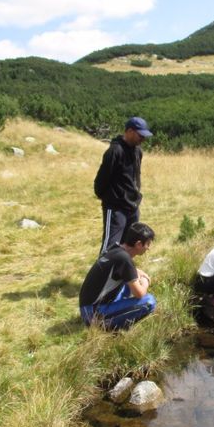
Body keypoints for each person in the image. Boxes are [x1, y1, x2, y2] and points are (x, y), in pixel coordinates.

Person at [79, 222, 157, 330]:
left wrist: (136, 271)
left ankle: (111, 319)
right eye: (147, 244)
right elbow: (139, 293)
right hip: (92, 314)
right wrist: (145, 281)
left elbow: (123, 270)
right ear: (139, 244)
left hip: (87, 307)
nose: (148, 248)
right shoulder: (124, 259)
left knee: (128, 281)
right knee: (149, 302)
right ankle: (105, 326)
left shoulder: (115, 248)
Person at [94, 116, 152, 254]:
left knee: (129, 245)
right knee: (110, 246)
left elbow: (135, 177)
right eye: (140, 136)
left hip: (132, 206)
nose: (143, 140)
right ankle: (103, 274)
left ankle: (121, 273)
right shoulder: (115, 151)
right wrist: (108, 199)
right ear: (130, 131)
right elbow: (102, 179)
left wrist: (135, 197)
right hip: (116, 208)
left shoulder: (138, 151)